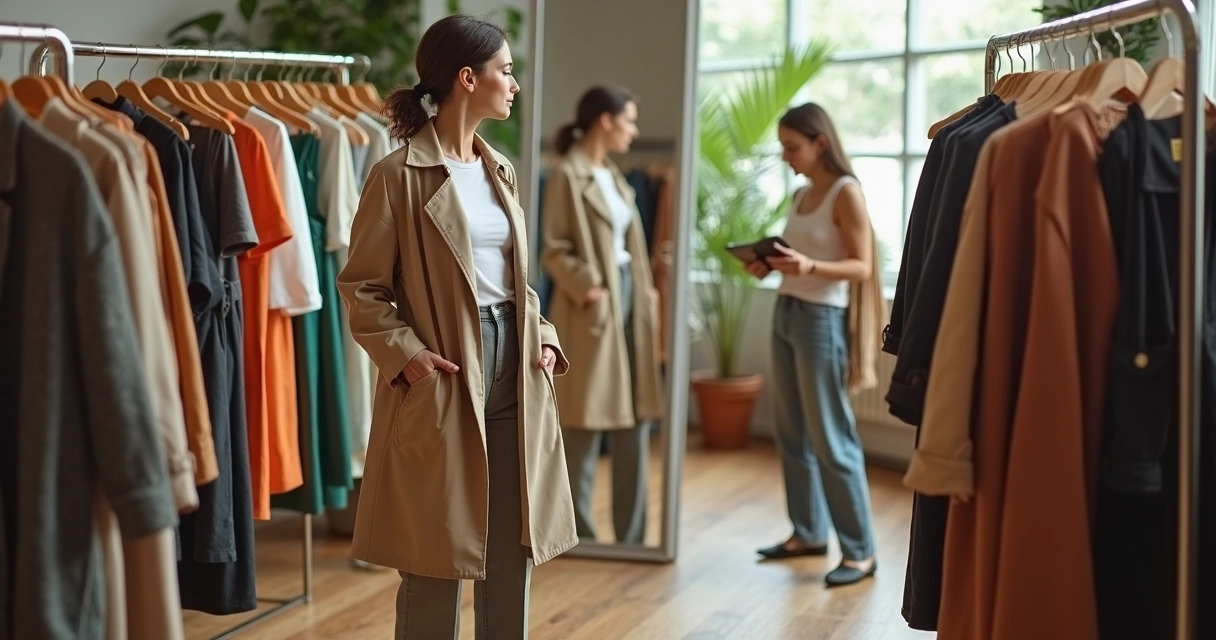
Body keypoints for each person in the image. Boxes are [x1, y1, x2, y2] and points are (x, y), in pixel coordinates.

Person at [335, 14, 578, 638]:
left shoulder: (501, 171)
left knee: (510, 541)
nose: (514, 84)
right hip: (443, 368)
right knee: (434, 550)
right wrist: (407, 355)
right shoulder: (396, 176)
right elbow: (361, 287)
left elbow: (514, 281)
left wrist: (544, 337)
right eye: (506, 70)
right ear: (467, 79)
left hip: (515, 362)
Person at [747, 103, 882, 587]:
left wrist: (809, 268)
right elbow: (795, 254)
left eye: (792, 147)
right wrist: (770, 263)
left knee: (831, 436)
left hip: (821, 319)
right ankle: (807, 533)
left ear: (819, 143)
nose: (786, 156)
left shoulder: (846, 193)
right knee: (791, 433)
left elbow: (862, 266)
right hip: (786, 313)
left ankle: (860, 551)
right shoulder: (803, 194)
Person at [541, 85, 664, 545]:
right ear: (605, 121)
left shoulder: (613, 176)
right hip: (591, 303)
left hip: (630, 295)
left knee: (637, 412)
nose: (634, 130)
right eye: (629, 120)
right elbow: (552, 248)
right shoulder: (566, 175)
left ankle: (631, 537)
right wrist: (586, 285)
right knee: (584, 420)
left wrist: (645, 291)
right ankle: (581, 535)